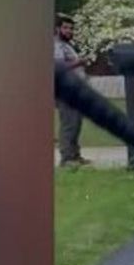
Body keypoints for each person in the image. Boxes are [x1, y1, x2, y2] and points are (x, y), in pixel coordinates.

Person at [54, 14, 90, 167]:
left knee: (76, 123)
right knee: (69, 123)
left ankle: (75, 155)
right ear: (57, 29)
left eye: (71, 28)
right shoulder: (56, 46)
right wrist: (79, 62)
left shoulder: (67, 45)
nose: (69, 31)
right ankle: (67, 157)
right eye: (65, 28)